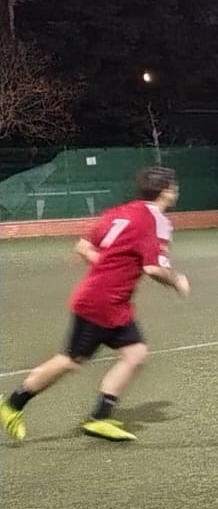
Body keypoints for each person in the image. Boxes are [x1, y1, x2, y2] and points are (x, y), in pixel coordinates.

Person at [0, 166, 191, 444]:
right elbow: (152, 268)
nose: (176, 190)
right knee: (69, 361)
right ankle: (12, 405)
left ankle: (100, 417)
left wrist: (109, 267)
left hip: (109, 301)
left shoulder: (120, 212)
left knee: (135, 353)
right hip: (102, 304)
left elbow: (83, 246)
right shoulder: (157, 221)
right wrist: (177, 280)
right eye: (174, 186)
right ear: (165, 191)